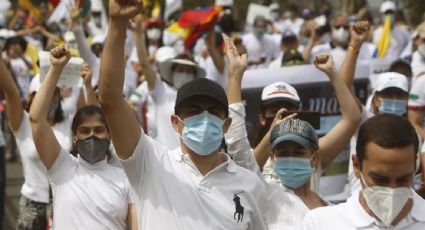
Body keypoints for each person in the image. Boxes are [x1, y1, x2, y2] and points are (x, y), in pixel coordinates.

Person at [98, 1, 268, 229]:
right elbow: (109, 99)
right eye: (194, 112)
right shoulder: (150, 163)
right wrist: (118, 24)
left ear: (227, 125)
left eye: (213, 112)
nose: (205, 119)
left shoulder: (249, 184)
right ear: (176, 123)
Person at [222, 33, 360, 229]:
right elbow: (238, 147)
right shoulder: (267, 192)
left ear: (312, 157)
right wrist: (235, 75)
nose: (281, 115)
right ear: (273, 156)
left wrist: (332, 73)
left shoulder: (329, 209)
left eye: (288, 110)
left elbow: (352, 119)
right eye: (283, 153)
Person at [29, 45, 137, 229]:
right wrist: (55, 69)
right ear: (74, 138)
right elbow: (37, 119)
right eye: (85, 131)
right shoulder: (62, 167)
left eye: (98, 130)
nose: (92, 136)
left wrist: (87, 86)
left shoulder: (126, 179)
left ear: (109, 135)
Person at [303, 114, 425, 229]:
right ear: (356, 165)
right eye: (380, 179)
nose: (391, 189)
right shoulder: (320, 224)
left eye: (403, 179)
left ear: (415, 166)